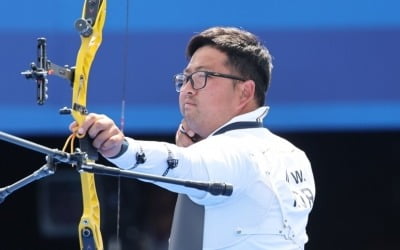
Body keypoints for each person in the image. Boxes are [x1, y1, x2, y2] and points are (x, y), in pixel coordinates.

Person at [70, 26, 315, 249]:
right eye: (185, 78)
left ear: (245, 91)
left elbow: (188, 164)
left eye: (201, 77)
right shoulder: (293, 155)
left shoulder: (238, 152)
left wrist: (120, 147)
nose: (187, 88)